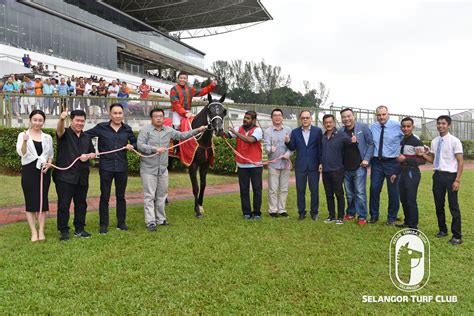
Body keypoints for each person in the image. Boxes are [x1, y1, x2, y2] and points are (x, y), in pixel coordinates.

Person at [137, 108, 207, 231]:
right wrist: (154, 149)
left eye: (160, 116)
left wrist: (198, 130)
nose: (158, 118)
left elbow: (182, 135)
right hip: (149, 169)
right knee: (149, 196)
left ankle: (161, 219)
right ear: (151, 118)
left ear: (163, 118)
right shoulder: (145, 130)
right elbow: (140, 145)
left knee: (161, 195)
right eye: (156, 116)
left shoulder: (168, 130)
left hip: (163, 169)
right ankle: (150, 222)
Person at [85, 103, 137, 234]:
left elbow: (135, 142)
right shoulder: (101, 127)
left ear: (123, 114)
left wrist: (132, 146)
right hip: (106, 167)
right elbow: (85, 136)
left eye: (120, 113)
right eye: (115, 113)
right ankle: (103, 225)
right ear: (110, 114)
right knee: (105, 197)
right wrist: (91, 151)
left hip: (121, 167)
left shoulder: (127, 129)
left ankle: (121, 223)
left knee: (121, 196)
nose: (118, 116)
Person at [417, 115, 464, 245]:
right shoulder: (435, 141)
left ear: (449, 125)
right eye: (438, 123)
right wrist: (423, 155)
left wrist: (457, 180)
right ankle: (442, 230)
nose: (440, 126)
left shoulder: (455, 141)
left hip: (451, 176)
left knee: (453, 206)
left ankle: (457, 236)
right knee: (439, 205)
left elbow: (460, 161)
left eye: (443, 123)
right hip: (437, 175)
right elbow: (433, 160)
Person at [54, 110, 96, 241]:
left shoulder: (86, 137)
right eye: (77, 120)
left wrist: (88, 156)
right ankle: (64, 230)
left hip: (82, 176)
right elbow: (59, 131)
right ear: (71, 120)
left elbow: (93, 153)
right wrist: (61, 119)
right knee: (64, 204)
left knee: (81, 204)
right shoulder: (64, 133)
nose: (80, 123)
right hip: (64, 177)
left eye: (82, 121)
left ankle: (79, 228)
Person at [15, 110, 53, 242]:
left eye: (40, 120)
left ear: (43, 122)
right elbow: (22, 153)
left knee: (43, 202)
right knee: (31, 201)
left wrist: (49, 164)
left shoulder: (47, 137)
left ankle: (41, 230)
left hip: (43, 171)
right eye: (35, 120)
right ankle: (33, 232)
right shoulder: (23, 135)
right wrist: (25, 141)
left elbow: (50, 156)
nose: (37, 122)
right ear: (30, 120)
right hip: (29, 171)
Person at [223, 111, 263, 220]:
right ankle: (246, 213)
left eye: (248, 118)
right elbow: (226, 135)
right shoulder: (239, 128)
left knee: (257, 190)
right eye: (245, 117)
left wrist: (235, 133)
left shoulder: (258, 130)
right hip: (242, 165)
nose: (245, 119)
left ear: (253, 120)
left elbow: (250, 140)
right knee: (244, 190)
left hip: (255, 165)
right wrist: (219, 130)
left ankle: (257, 213)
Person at [369, 105, 404, 225]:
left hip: (392, 163)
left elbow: (409, 137)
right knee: (374, 189)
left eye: (383, 114)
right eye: (379, 115)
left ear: (388, 114)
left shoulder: (397, 126)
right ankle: (374, 216)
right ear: (376, 115)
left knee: (393, 191)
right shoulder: (373, 127)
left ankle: (392, 218)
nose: (381, 117)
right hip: (377, 162)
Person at [285, 110, 322, 220]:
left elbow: (320, 148)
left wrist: (321, 162)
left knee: (314, 190)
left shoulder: (317, 131)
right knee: (300, 190)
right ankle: (301, 212)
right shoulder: (295, 132)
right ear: (300, 119)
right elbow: (292, 147)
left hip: (314, 165)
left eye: (307, 117)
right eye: (303, 118)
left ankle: (314, 212)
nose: (305, 119)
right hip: (300, 165)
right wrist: (287, 141)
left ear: (311, 119)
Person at [390, 117, 426, 230]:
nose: (406, 128)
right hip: (402, 173)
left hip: (412, 172)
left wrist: (405, 159)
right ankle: (407, 221)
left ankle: (413, 226)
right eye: (404, 126)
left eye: (408, 126)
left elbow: (422, 160)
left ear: (413, 127)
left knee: (411, 199)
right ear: (401, 127)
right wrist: (395, 173)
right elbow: (399, 160)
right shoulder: (401, 141)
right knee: (404, 199)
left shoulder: (416, 142)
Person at [340, 108, 374, 225]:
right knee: (349, 193)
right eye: (344, 117)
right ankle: (350, 213)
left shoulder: (363, 128)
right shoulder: (341, 131)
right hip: (345, 168)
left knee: (359, 192)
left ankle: (362, 216)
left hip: (359, 166)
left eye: (348, 116)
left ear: (353, 116)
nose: (346, 119)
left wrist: (366, 159)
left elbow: (370, 143)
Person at [321, 114, 356, 224]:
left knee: (339, 194)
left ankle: (340, 216)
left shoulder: (341, 135)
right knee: (328, 194)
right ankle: (331, 215)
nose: (328, 124)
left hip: (337, 170)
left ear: (334, 123)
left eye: (330, 122)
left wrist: (353, 141)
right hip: (325, 170)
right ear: (324, 124)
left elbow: (351, 144)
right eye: (326, 122)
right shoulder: (323, 136)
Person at [263, 108, 292, 218]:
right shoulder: (267, 131)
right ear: (271, 118)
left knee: (284, 189)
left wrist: (288, 154)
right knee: (273, 189)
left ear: (282, 117)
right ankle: (273, 210)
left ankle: (282, 210)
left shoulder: (288, 130)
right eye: (275, 115)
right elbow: (266, 147)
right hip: (273, 165)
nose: (277, 117)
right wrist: (270, 148)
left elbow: (292, 146)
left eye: (279, 115)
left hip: (285, 164)